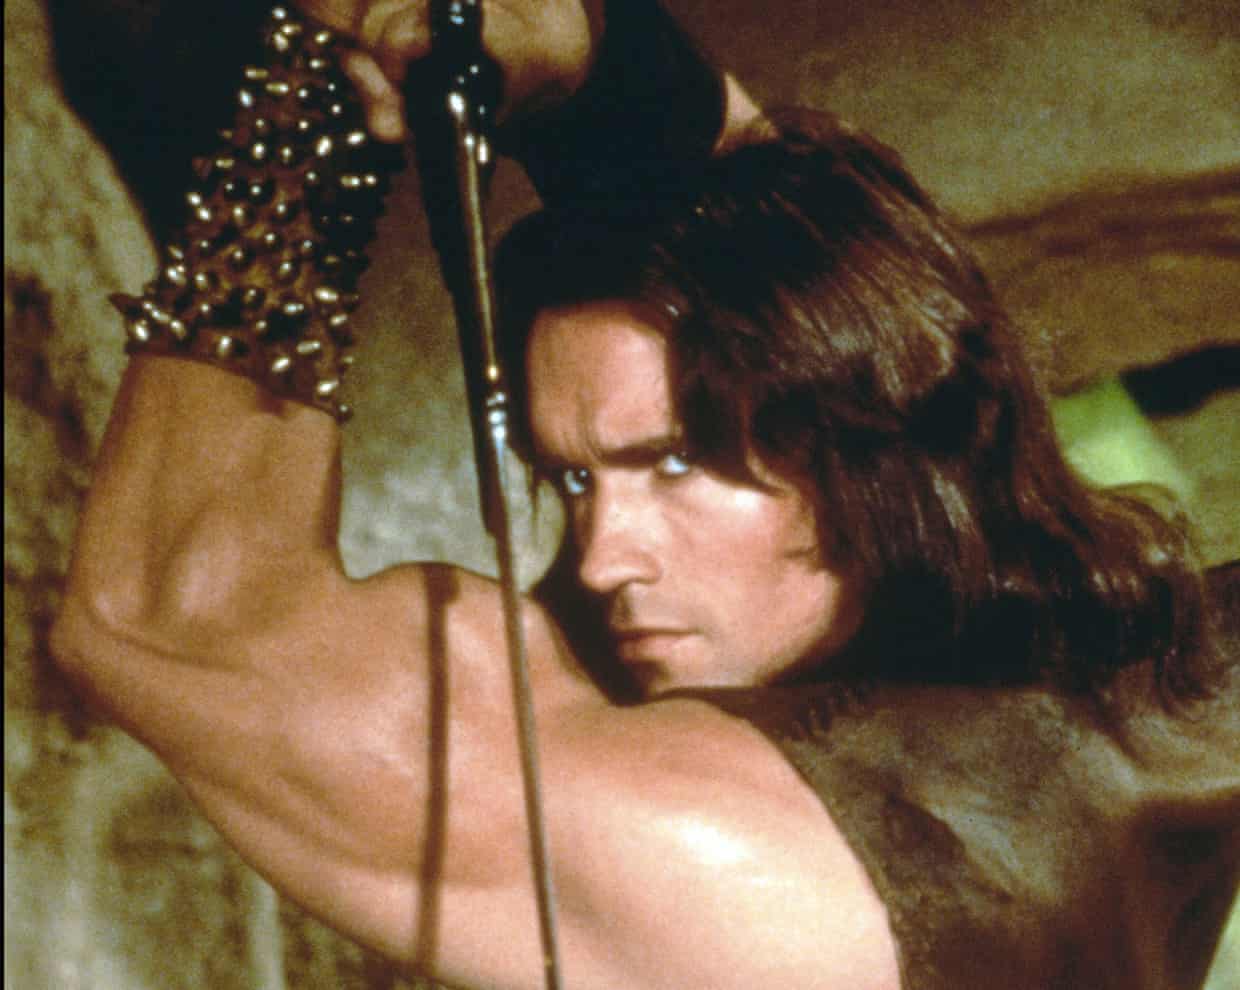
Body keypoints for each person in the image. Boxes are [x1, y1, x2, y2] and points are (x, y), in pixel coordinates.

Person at [51, 1, 1237, 988]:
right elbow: (806, 232)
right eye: (574, 479)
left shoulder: (730, 855)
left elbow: (170, 612)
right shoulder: (1159, 686)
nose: (602, 553)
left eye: (671, 461)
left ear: (872, 439)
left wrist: (321, 95)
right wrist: (584, 50)